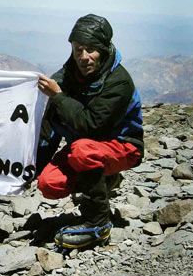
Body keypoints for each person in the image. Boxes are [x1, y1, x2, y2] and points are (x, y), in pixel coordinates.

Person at [35, 14, 143, 249]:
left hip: (123, 146)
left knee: (84, 150)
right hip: (85, 148)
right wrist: (35, 168)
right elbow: (50, 127)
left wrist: (58, 97)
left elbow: (91, 125)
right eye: (78, 49)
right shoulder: (65, 78)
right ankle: (103, 179)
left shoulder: (119, 81)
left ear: (103, 49)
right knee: (49, 184)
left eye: (91, 50)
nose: (84, 57)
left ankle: (98, 223)